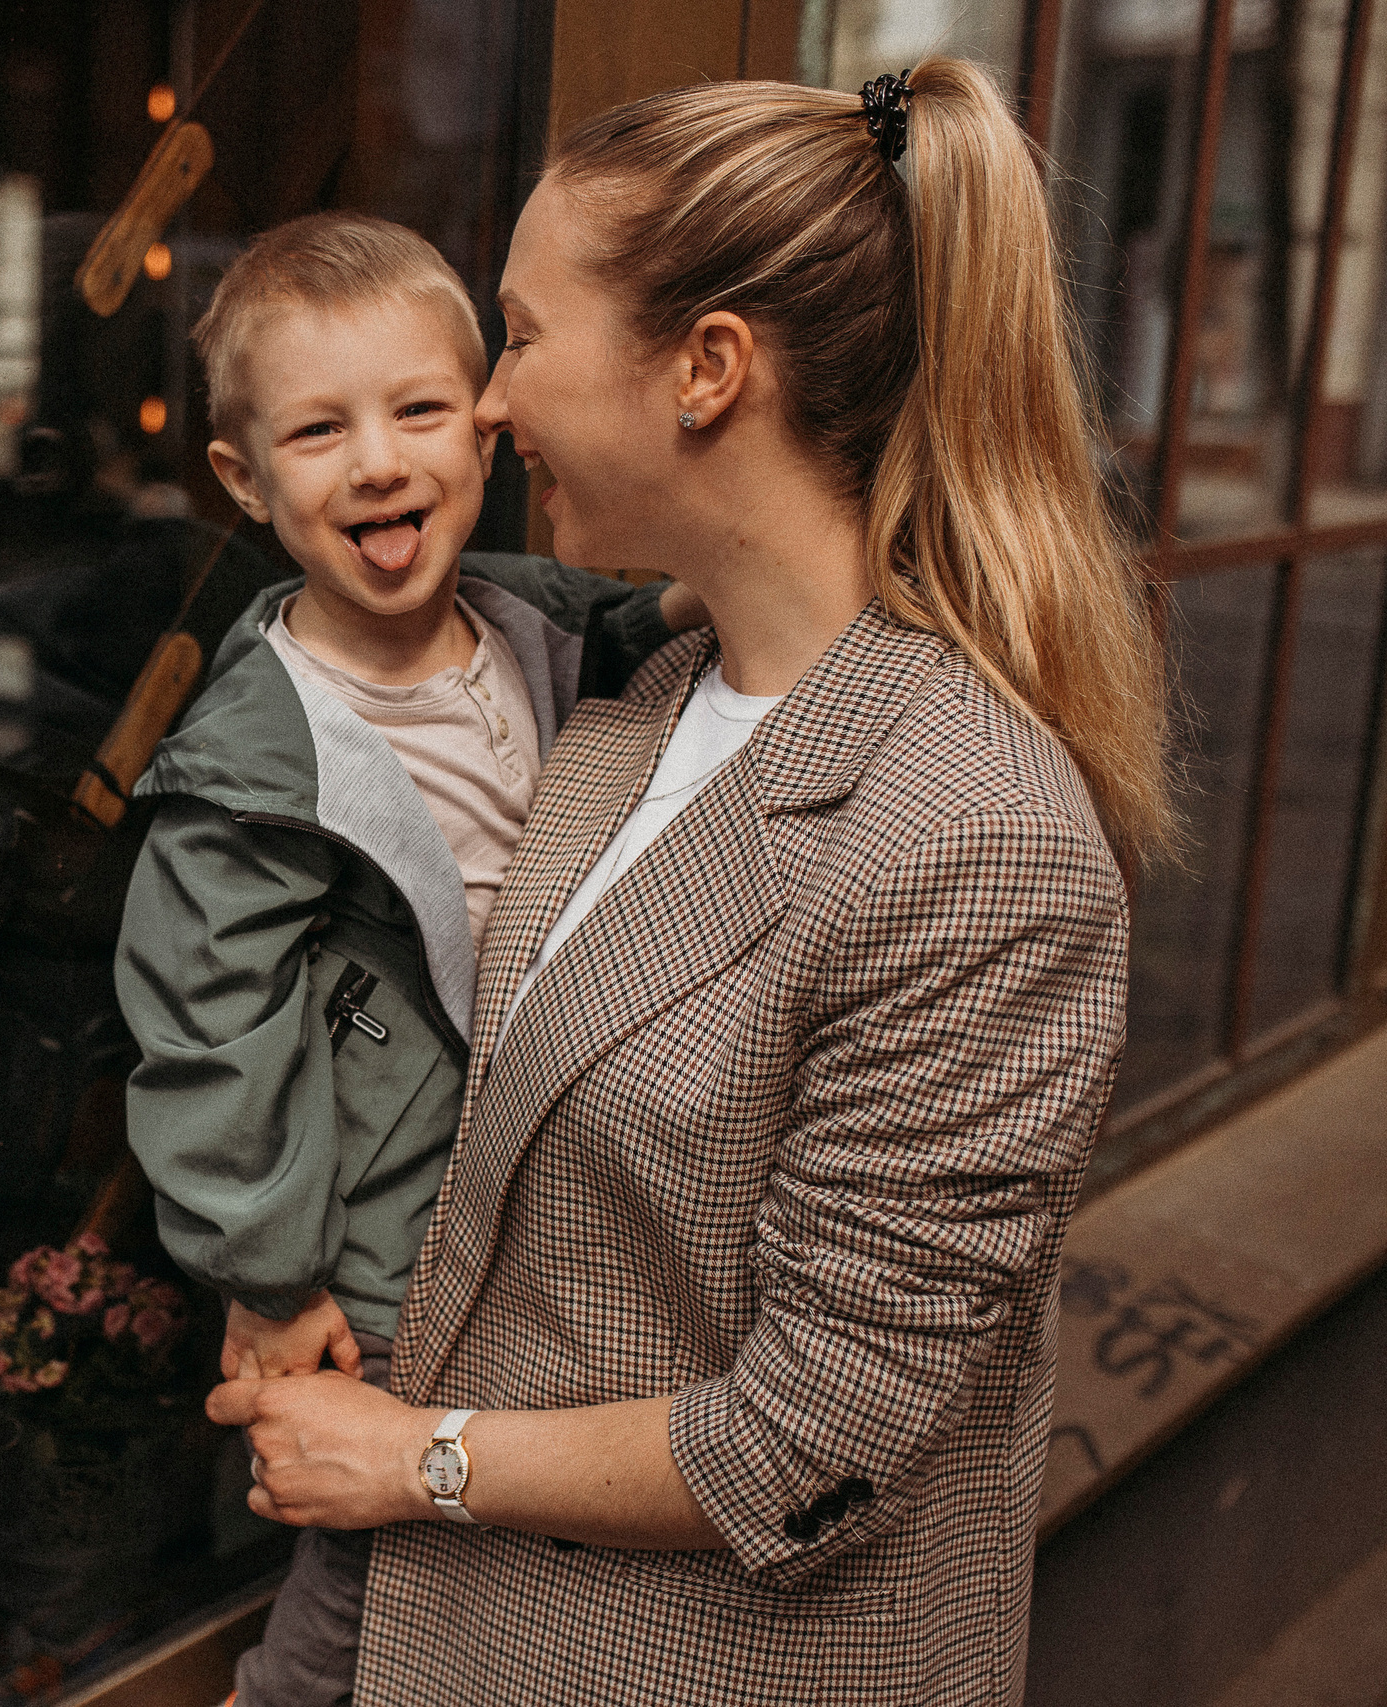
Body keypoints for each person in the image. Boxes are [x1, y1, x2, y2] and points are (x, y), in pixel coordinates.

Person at [203, 60, 1173, 1706]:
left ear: (708, 368)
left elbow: (809, 1441)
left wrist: (405, 1462)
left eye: (518, 332)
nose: (488, 406)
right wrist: (298, 1283)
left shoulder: (976, 838)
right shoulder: (642, 708)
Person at [112, 213, 703, 1707]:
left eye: (420, 410)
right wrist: (268, 1270)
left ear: (489, 434)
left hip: (549, 1205)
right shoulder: (258, 758)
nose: (379, 461)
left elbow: (667, 628)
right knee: (377, 1577)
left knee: (511, 1556)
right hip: (386, 1243)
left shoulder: (541, 630)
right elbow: (209, 1028)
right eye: (319, 431)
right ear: (244, 481)